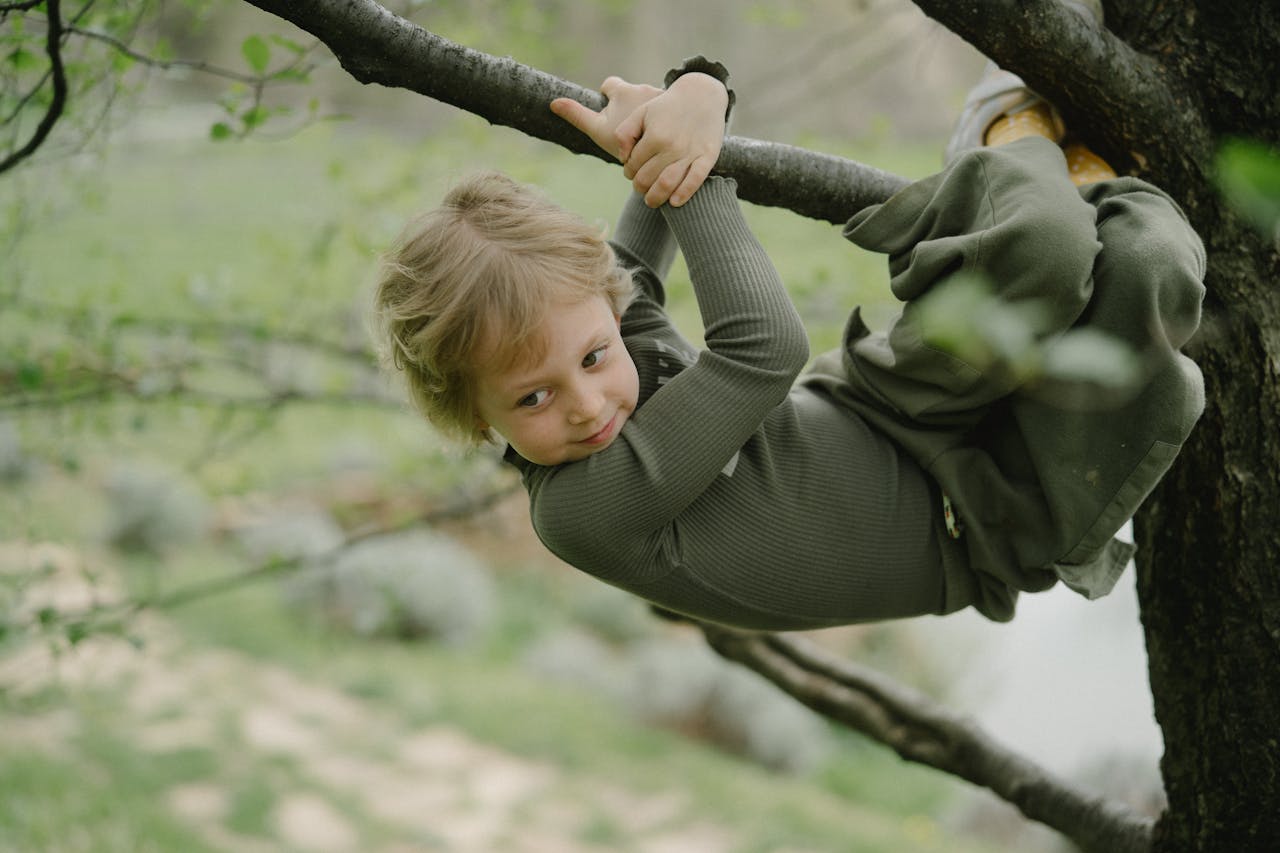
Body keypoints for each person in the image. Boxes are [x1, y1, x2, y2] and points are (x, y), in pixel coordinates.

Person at [374, 31, 1205, 630]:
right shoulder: (583, 509)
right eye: (533, 396)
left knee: (1047, 247)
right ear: (477, 416)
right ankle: (1062, 168)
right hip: (984, 518)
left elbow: (663, 186)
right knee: (1152, 257)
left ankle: (1011, 131)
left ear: (605, 298)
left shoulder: (607, 311)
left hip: (885, 404)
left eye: (594, 354)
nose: (589, 402)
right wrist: (686, 155)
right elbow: (765, 349)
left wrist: (695, 94)